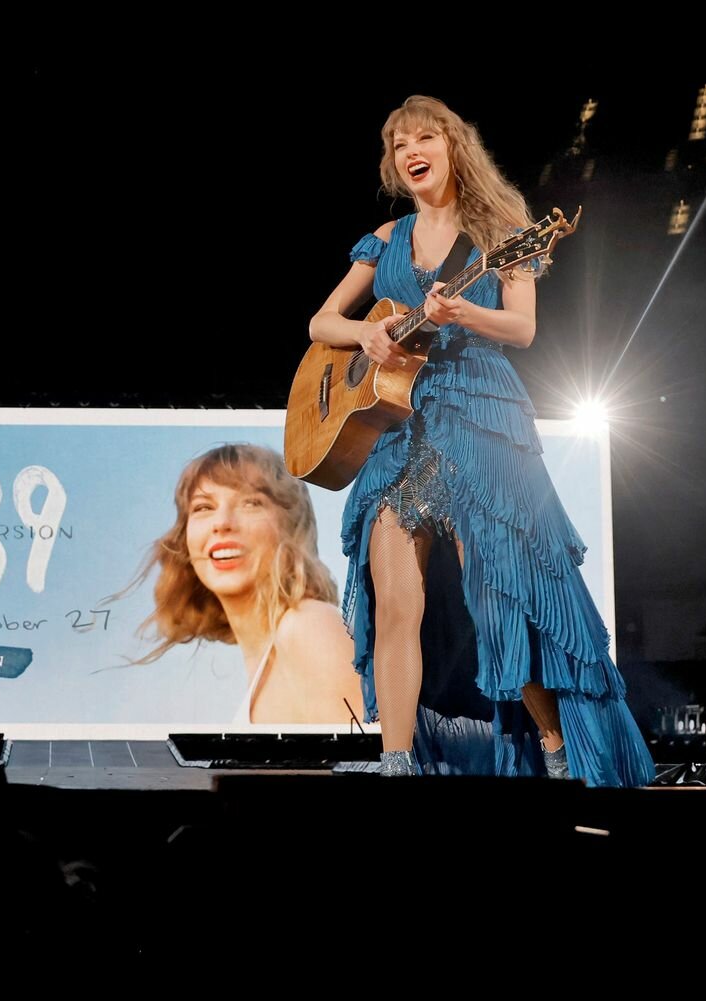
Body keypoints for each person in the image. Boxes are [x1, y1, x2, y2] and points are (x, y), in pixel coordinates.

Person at [307, 95, 654, 785]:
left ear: (451, 146)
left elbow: (523, 328)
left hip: (482, 416)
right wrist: (366, 332)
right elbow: (321, 322)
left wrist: (462, 309)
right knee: (396, 602)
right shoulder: (385, 238)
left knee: (502, 598)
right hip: (402, 428)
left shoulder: (502, 227)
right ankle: (396, 763)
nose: (412, 150)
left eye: (424, 136)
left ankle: (557, 746)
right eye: (400, 142)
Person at [133, 443, 364, 724]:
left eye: (251, 503)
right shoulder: (270, 658)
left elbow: (374, 763)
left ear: (291, 526)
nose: (222, 523)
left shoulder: (306, 624)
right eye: (203, 507)